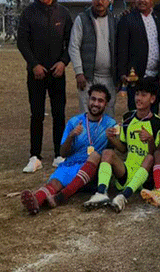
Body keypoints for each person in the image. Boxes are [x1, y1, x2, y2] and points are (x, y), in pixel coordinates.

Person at [20, 84, 119, 215]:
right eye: (93, 99)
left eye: (100, 101)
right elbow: (62, 153)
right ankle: (36, 200)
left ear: (106, 104)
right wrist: (71, 136)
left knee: (95, 155)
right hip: (72, 165)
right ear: (88, 100)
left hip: (93, 173)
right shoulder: (74, 122)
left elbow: (120, 150)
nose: (96, 103)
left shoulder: (111, 124)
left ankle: (62, 196)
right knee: (55, 182)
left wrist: (112, 138)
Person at [17, 0, 74, 173]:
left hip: (57, 72)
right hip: (36, 73)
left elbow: (71, 42)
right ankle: (35, 156)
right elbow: (22, 42)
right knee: (37, 114)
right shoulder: (29, 13)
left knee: (59, 113)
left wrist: (63, 62)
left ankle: (59, 154)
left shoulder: (63, 13)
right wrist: (34, 65)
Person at [83, 78, 160, 212]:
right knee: (107, 152)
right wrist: (112, 139)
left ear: (152, 99)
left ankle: (123, 197)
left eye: (143, 95)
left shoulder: (158, 123)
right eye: (137, 94)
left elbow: (154, 155)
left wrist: (150, 140)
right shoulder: (127, 118)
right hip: (126, 171)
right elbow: (123, 149)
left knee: (149, 158)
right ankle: (101, 193)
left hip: (145, 178)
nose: (138, 98)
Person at [69, 0, 119, 128]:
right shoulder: (82, 19)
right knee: (87, 113)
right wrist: (79, 72)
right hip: (88, 77)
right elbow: (74, 46)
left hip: (109, 77)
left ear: (108, 1)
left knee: (108, 113)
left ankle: (106, 141)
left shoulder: (115, 20)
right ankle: (87, 141)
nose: (99, 1)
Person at [117, 0, 160, 114]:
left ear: (152, 0)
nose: (142, 0)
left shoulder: (159, 18)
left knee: (153, 114)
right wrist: (122, 73)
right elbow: (121, 48)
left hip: (155, 78)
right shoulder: (127, 19)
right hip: (136, 77)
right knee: (136, 113)